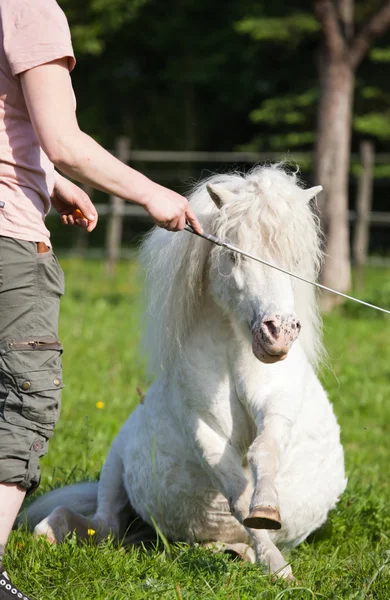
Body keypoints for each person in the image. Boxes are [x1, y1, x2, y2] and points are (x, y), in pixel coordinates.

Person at [0, 1, 202, 598]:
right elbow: (63, 139)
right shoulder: (30, 8)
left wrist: (53, 184)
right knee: (23, 404)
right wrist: (152, 194)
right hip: (7, 239)